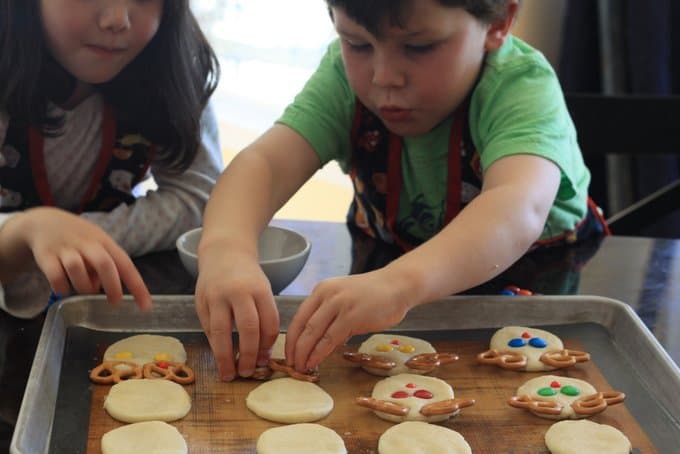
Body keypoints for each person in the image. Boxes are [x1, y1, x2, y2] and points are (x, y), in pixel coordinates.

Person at [196, 0, 605, 382]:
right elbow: (266, 164)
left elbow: (517, 207)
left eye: (420, 47)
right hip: (383, 277)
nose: (384, 77)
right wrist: (226, 249)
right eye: (357, 43)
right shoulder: (341, 77)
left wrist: (399, 284)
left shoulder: (519, 86)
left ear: (497, 24)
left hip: (531, 289)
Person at [0, 0, 222, 318]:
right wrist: (21, 234)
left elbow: (201, 198)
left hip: (98, 308)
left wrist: (78, 237)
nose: (118, 19)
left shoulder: (172, 71)